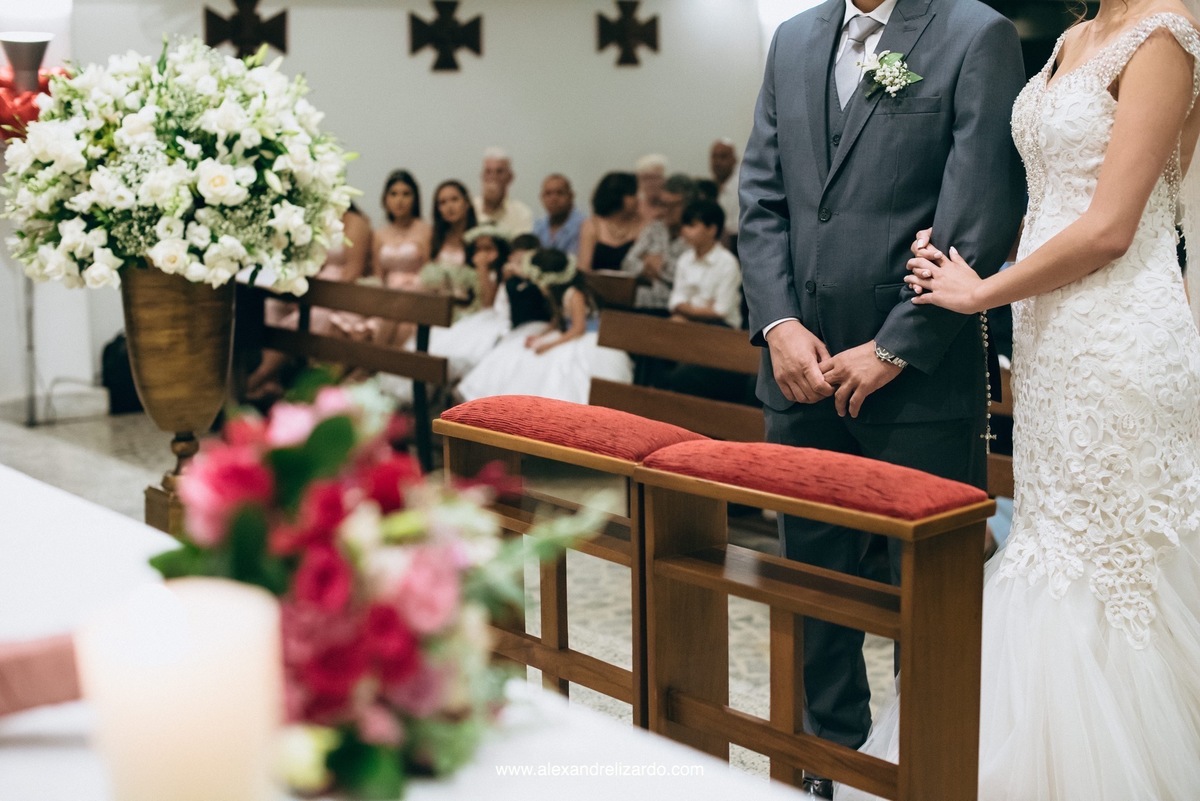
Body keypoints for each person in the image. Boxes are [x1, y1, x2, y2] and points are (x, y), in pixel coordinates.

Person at [841, 6, 1200, 799]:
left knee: (1112, 559)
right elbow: (1050, 200)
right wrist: (965, 253)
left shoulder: (1166, 36)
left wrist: (982, 292)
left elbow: (1112, 227)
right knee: (1050, 536)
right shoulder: (1074, 37)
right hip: (1052, 337)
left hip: (1119, 337)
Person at [738, 1, 1026, 797]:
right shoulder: (793, 38)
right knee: (812, 581)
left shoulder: (976, 34)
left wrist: (898, 343)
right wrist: (779, 324)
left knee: (925, 599)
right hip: (801, 369)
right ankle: (831, 763)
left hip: (920, 384)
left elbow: (981, 210)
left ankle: (923, 765)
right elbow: (761, 196)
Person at [458, 248, 632, 404]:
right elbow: (557, 321)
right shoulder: (556, 295)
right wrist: (540, 336)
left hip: (586, 338)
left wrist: (549, 344)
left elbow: (579, 328)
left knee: (560, 366)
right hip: (567, 333)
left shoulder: (574, 295)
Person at [244, 205, 372, 400]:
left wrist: (319, 298)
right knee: (274, 305)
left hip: (342, 298)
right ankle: (273, 380)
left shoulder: (356, 222)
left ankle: (257, 379)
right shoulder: (320, 219)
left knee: (298, 321)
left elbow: (352, 272)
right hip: (314, 289)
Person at [620, 173, 696, 313]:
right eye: (663, 204)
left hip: (676, 310)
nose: (665, 211)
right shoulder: (654, 228)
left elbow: (690, 277)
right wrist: (647, 266)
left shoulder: (696, 235)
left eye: (672, 205)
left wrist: (662, 266)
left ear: (688, 205)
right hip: (641, 304)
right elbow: (628, 262)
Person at [669, 200, 742, 329]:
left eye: (692, 225)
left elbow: (721, 310)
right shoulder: (684, 259)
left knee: (678, 324)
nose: (684, 231)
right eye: (684, 225)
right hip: (687, 320)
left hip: (723, 328)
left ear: (712, 230)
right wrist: (702, 309)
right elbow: (675, 301)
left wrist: (688, 309)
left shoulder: (728, 263)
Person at [373, 169, 432, 291]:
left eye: (406, 194)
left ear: (415, 199)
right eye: (393, 194)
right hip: (387, 297)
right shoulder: (379, 234)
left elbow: (430, 274)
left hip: (418, 294)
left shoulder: (426, 230)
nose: (399, 200)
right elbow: (378, 277)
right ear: (385, 199)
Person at [578, 172, 643, 274]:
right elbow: (584, 268)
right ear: (617, 196)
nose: (637, 199)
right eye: (632, 194)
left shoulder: (642, 225)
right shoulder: (592, 225)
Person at [474, 147, 534, 235]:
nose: (493, 177)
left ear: (510, 177)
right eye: (488, 172)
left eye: (499, 172)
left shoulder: (522, 214)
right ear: (482, 176)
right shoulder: (469, 209)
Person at [532, 174, 586, 254]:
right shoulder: (538, 225)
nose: (554, 199)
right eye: (548, 194)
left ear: (571, 196)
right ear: (542, 197)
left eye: (560, 193)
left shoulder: (583, 226)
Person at [430, 179, 478, 265]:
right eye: (443, 202)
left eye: (454, 199)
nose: (449, 207)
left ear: (467, 203)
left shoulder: (479, 237)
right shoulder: (434, 238)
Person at [709, 138, 741, 248]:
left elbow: (735, 229)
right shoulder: (713, 186)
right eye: (714, 157)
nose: (717, 162)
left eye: (723, 157)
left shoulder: (742, 187)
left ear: (734, 159)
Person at [635, 153, 669, 223]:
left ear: (664, 179)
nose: (651, 183)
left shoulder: (672, 207)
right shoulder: (633, 208)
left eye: (655, 178)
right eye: (646, 178)